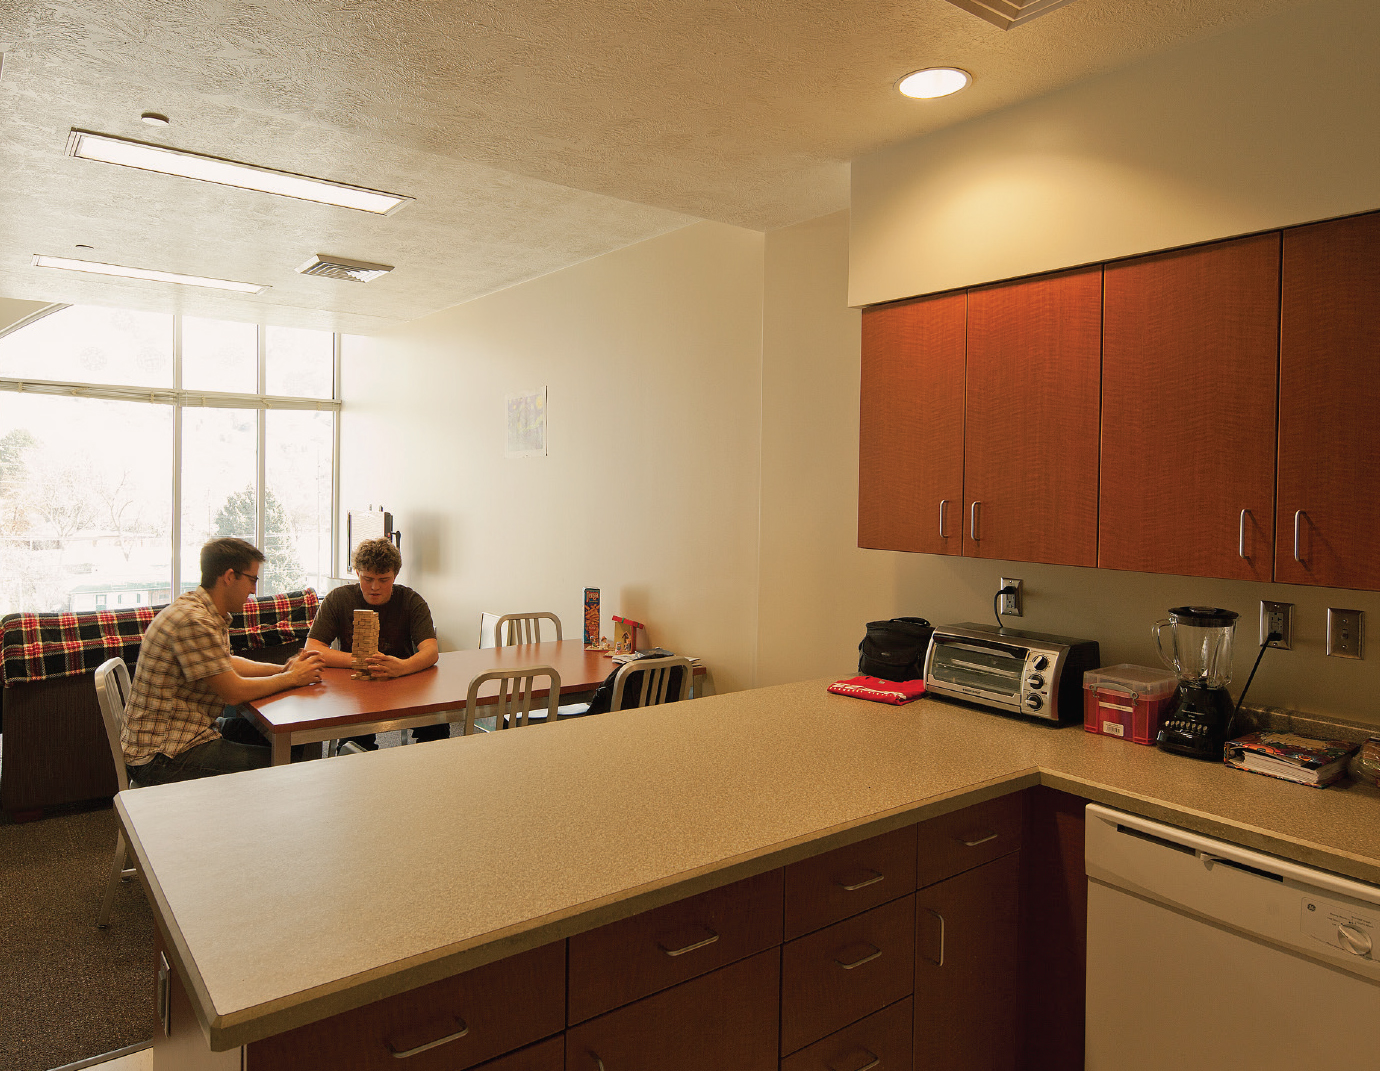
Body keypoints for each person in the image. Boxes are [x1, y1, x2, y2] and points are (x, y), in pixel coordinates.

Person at [122, 538, 325, 787]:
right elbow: (234, 692)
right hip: (163, 755)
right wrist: (292, 678)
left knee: (287, 741)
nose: (253, 589)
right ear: (230, 576)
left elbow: (225, 662)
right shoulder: (194, 621)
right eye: (252, 579)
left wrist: (283, 669)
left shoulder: (201, 610)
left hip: (185, 733)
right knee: (289, 765)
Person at [305, 537, 441, 749]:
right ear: (357, 573)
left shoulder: (411, 601)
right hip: (355, 688)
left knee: (438, 729)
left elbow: (431, 651)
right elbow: (313, 647)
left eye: (384, 580)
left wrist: (403, 666)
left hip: (402, 685)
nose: (375, 587)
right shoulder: (338, 599)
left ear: (395, 575)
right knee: (355, 743)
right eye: (367, 579)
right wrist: (361, 661)